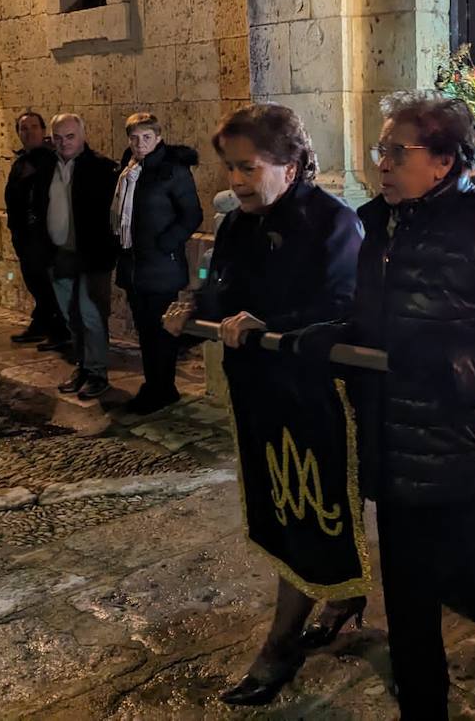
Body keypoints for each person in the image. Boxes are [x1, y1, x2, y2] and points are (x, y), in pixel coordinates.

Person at [286, 93, 475, 718]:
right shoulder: (378, 225)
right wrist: (337, 336)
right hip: (396, 445)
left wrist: (451, 366)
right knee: (409, 602)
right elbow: (378, 322)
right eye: (379, 151)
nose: (382, 163)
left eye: (397, 151)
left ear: (443, 161)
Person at [163, 103, 365, 706]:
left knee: (308, 510)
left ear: (293, 164)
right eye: (230, 169)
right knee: (276, 508)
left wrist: (269, 322)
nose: (236, 182)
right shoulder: (235, 225)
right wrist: (192, 309)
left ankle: (280, 647)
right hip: (257, 390)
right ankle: (343, 592)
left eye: (248, 168)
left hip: (314, 396)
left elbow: (345, 306)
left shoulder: (336, 223)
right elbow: (223, 286)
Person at [112, 112, 202, 414]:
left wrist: (165, 242)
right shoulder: (129, 170)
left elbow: (192, 214)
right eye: (135, 138)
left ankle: (160, 389)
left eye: (146, 138)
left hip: (162, 266)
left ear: (158, 138)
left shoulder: (172, 171)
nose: (140, 144)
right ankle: (158, 386)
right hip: (135, 266)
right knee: (146, 332)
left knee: (160, 333)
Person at [26, 114, 119, 400]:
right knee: (71, 317)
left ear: (82, 135)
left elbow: (113, 216)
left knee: (91, 316)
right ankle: (82, 366)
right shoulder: (45, 168)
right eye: (58, 137)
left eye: (70, 136)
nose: (64, 143)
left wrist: (108, 252)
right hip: (59, 256)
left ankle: (97, 371)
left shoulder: (101, 168)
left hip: (91, 257)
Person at [3, 111, 68, 351]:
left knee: (49, 284)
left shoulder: (51, 160)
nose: (28, 132)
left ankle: (60, 330)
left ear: (43, 131)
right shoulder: (22, 162)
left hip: (45, 235)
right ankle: (42, 323)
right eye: (23, 128)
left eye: (33, 127)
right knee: (35, 281)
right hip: (26, 235)